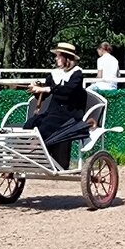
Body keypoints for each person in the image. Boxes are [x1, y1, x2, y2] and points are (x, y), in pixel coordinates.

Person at [24, 42, 89, 170]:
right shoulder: (54, 74)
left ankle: (35, 157)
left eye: (59, 56)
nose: (56, 58)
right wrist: (36, 89)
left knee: (46, 126)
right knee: (31, 123)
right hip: (54, 112)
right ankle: (23, 156)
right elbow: (46, 93)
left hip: (70, 114)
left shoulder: (77, 74)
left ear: (67, 58)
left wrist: (45, 89)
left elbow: (67, 91)